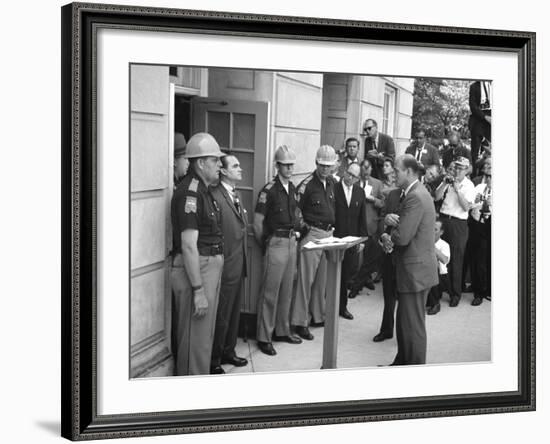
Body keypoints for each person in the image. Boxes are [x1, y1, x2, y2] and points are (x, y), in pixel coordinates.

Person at [170, 132, 225, 376]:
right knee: (195, 339)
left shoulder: (204, 190)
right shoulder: (190, 192)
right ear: (200, 163)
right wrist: (198, 290)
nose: (220, 165)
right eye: (215, 160)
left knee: (203, 338)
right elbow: (189, 245)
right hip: (198, 269)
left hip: (207, 266)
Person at [380, 154, 438, 365]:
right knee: (406, 323)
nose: (392, 173)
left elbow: (403, 236)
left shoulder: (415, 196)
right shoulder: (414, 193)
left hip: (415, 272)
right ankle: (402, 363)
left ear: (410, 172)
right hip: (414, 270)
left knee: (412, 326)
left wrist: (388, 235)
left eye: (396, 170)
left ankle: (413, 372)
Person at [254, 146, 303, 356]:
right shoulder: (269, 190)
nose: (290, 168)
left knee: (287, 290)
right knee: (270, 293)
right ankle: (264, 336)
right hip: (276, 242)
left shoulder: (292, 188)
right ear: (277, 165)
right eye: (286, 164)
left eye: (292, 164)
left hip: (292, 242)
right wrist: (267, 244)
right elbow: (257, 223)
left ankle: (282, 330)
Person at [291, 145, 338, 340]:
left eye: (329, 165)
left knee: (322, 280)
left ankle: (318, 315)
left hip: (328, 234)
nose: (325, 169)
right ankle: (300, 322)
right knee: (305, 281)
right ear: (316, 163)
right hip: (312, 234)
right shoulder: (306, 185)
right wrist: (304, 230)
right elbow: (295, 211)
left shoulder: (331, 183)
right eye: (322, 165)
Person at [209, 154, 249, 374]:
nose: (240, 169)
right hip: (225, 264)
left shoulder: (235, 194)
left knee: (234, 312)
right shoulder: (215, 195)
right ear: (223, 171)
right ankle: (214, 358)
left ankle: (228, 351)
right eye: (235, 166)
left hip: (238, 262)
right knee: (222, 313)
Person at [434, 157, 476, 307]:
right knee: (439, 254)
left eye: (460, 168)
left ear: (466, 170)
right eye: (456, 167)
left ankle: (455, 293)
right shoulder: (448, 181)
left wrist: (458, 189)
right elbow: (436, 197)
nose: (457, 170)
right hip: (444, 219)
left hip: (458, 222)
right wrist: (445, 183)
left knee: (456, 259)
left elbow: (466, 207)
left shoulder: (469, 185)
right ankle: (439, 290)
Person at [333, 163, 368, 320]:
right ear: (344, 171)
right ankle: (331, 306)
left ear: (358, 178)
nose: (350, 177)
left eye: (354, 176)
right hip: (335, 238)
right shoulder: (334, 189)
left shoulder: (360, 192)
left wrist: (362, 239)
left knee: (347, 273)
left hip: (352, 239)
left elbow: (362, 217)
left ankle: (342, 307)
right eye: (349, 173)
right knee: (333, 274)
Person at [348, 158, 384, 298]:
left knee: (370, 258)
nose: (366, 172)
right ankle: (354, 284)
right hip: (357, 227)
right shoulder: (355, 183)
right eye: (364, 169)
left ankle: (364, 280)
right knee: (357, 259)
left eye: (368, 169)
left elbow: (383, 203)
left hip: (371, 226)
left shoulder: (377, 183)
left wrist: (373, 200)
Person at [372, 186, 401, 342]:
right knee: (388, 294)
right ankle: (386, 329)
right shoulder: (392, 195)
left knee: (403, 298)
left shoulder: (418, 195)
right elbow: (382, 217)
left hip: (405, 254)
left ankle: (404, 334)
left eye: (399, 170)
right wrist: (383, 233)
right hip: (388, 252)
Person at [468, 157, 492, 306]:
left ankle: (487, 289)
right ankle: (478, 292)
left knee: (489, 258)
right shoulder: (479, 188)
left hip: (491, 225)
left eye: (492, 176)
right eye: (488, 176)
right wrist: (478, 201)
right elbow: (469, 205)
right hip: (477, 224)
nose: (489, 179)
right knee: (478, 259)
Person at [426, 218, 451, 315]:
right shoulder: (423, 241)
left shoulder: (444, 245)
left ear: (441, 232)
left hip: (440, 276)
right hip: (425, 273)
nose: (432, 231)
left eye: (435, 229)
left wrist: (431, 246)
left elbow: (444, 260)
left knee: (433, 269)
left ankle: (436, 304)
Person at [469, 80, 492, 175]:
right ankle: (475, 175)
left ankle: (488, 173)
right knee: (476, 152)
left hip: (492, 120)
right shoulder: (474, 86)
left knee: (490, 149)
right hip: (479, 119)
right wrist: (485, 117)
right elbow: (473, 106)